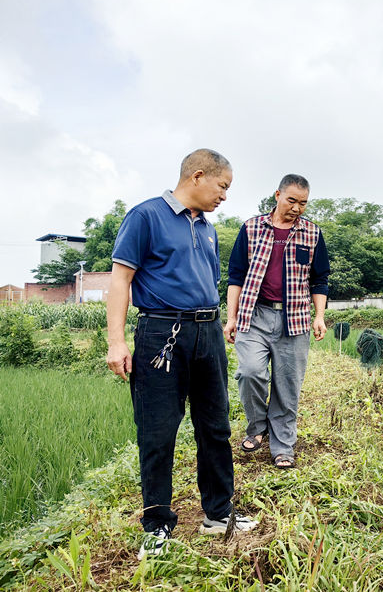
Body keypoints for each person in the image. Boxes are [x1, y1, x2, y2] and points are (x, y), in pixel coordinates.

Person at [106, 149, 257, 560]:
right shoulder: (146, 216)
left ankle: (218, 514)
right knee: (157, 431)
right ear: (198, 175)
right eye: (222, 186)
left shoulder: (207, 226)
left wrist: (221, 321)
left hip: (207, 332)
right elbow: (120, 280)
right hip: (161, 333)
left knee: (216, 426)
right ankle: (156, 526)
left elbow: (208, 281)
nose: (225, 195)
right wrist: (116, 341)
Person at [223, 174, 329, 469]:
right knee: (249, 372)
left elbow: (320, 280)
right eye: (292, 200)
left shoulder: (312, 233)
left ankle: (282, 445)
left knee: (287, 384)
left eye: (303, 203)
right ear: (278, 195)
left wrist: (318, 316)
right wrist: (231, 318)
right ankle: (258, 428)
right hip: (254, 314)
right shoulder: (251, 228)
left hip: (293, 317)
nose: (297, 208)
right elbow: (236, 277)